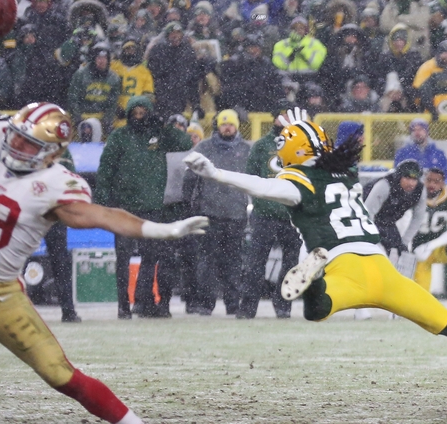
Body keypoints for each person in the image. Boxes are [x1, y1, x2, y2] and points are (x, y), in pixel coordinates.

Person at [183, 107, 447, 395]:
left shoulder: (298, 180)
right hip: (381, 268)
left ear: (296, 151)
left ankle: (312, 277)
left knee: (316, 310)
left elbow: (261, 186)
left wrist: (215, 172)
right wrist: (305, 131)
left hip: (344, 268)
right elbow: (316, 155)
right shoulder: (344, 173)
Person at [0, 11, 207, 423]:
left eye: (28, 144)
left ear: (50, 154)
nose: (15, 146)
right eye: (17, 136)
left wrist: (162, 229)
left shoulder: (54, 184)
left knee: (61, 374)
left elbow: (104, 216)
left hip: (1, 297)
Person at [96, 95, 195, 319]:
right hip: (124, 208)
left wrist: (164, 127)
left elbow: (185, 143)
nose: (139, 117)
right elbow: (105, 170)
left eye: (143, 113)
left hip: (152, 207)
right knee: (122, 259)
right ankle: (123, 305)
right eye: (135, 113)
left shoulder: (159, 135)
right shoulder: (119, 137)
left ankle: (145, 301)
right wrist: (104, 202)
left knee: (151, 257)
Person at [182, 109, 250, 315]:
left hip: (236, 213)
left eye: (230, 124)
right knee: (207, 260)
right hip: (209, 212)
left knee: (234, 261)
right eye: (223, 124)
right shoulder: (204, 148)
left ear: (237, 126)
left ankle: (233, 303)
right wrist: (191, 205)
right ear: (217, 126)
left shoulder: (246, 150)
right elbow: (189, 178)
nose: (227, 128)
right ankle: (206, 303)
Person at [237, 111, 299, 319]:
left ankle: (283, 304)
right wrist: (262, 201)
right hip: (265, 213)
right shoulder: (262, 145)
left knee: (291, 263)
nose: (286, 120)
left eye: (289, 115)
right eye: (282, 115)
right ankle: (248, 307)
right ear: (274, 118)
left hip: (292, 214)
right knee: (256, 261)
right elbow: (250, 176)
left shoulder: (302, 143)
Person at [411, 168, 447, 295]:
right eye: (429, 180)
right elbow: (404, 226)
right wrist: (410, 247)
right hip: (417, 245)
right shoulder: (414, 195)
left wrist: (430, 245)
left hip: (439, 246)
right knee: (421, 293)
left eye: (436, 181)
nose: (432, 185)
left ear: (443, 183)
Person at [363, 159, 426, 259]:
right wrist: (371, 240)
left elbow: (418, 218)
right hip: (362, 218)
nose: (411, 183)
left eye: (414, 179)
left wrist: (405, 242)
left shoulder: (419, 191)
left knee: (399, 252)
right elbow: (367, 214)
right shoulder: (385, 185)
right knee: (375, 252)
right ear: (399, 176)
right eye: (407, 178)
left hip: (387, 222)